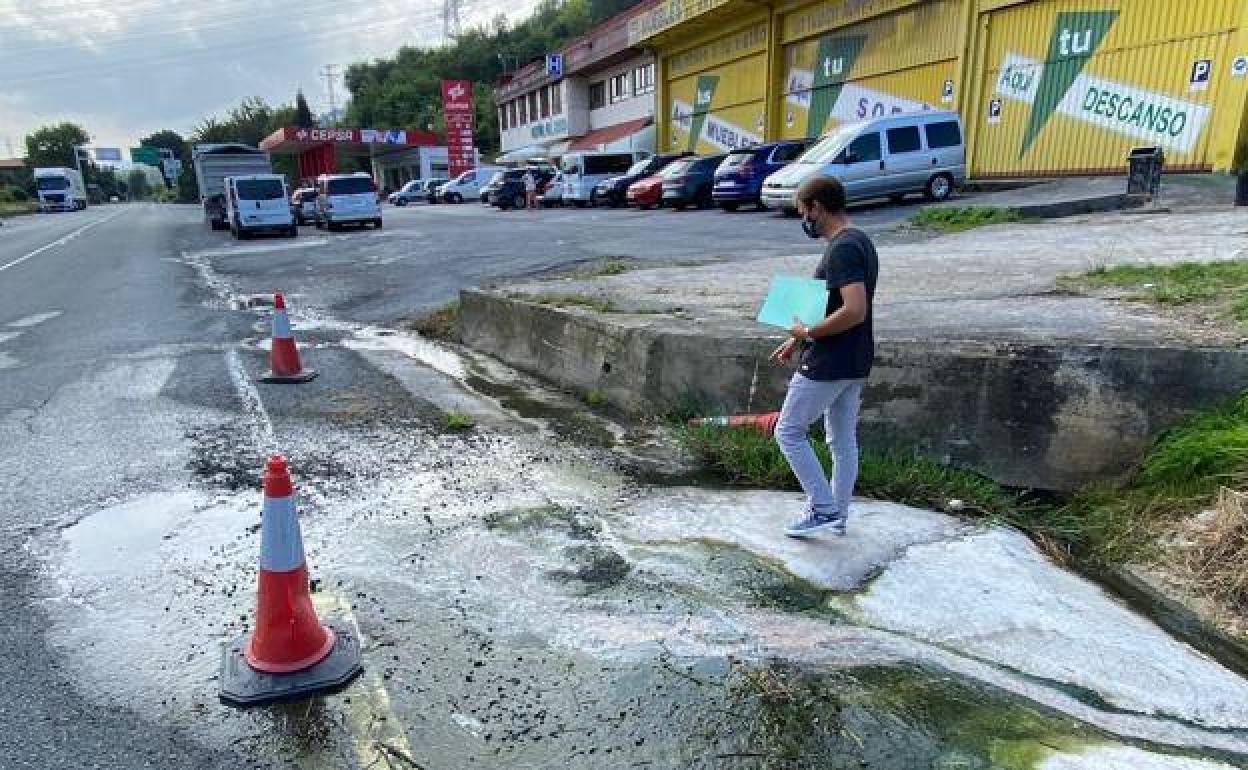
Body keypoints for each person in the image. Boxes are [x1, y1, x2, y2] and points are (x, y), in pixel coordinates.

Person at [769, 175, 878, 538]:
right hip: (855, 359)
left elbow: (854, 310)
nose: (804, 220)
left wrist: (808, 334)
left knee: (788, 431)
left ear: (817, 206)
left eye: (804, 212)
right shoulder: (859, 240)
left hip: (830, 360)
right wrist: (797, 341)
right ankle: (838, 516)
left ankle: (823, 507)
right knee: (842, 441)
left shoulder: (842, 248)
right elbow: (830, 304)